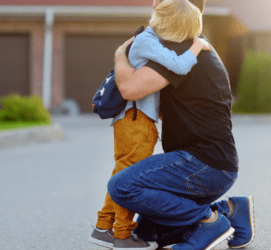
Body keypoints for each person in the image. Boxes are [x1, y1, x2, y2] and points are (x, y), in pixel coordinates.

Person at [108, 0, 256, 249]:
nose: (155, 4)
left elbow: (129, 88)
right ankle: (230, 210)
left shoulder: (180, 50)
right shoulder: (194, 44)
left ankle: (209, 220)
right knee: (149, 230)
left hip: (203, 165)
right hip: (212, 165)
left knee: (122, 187)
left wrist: (120, 56)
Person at [90, 0, 211, 249]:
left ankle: (103, 226)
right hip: (135, 121)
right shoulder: (147, 40)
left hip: (137, 121)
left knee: (121, 174)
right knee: (127, 179)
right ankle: (121, 235)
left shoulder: (149, 40)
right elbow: (179, 65)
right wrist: (198, 45)